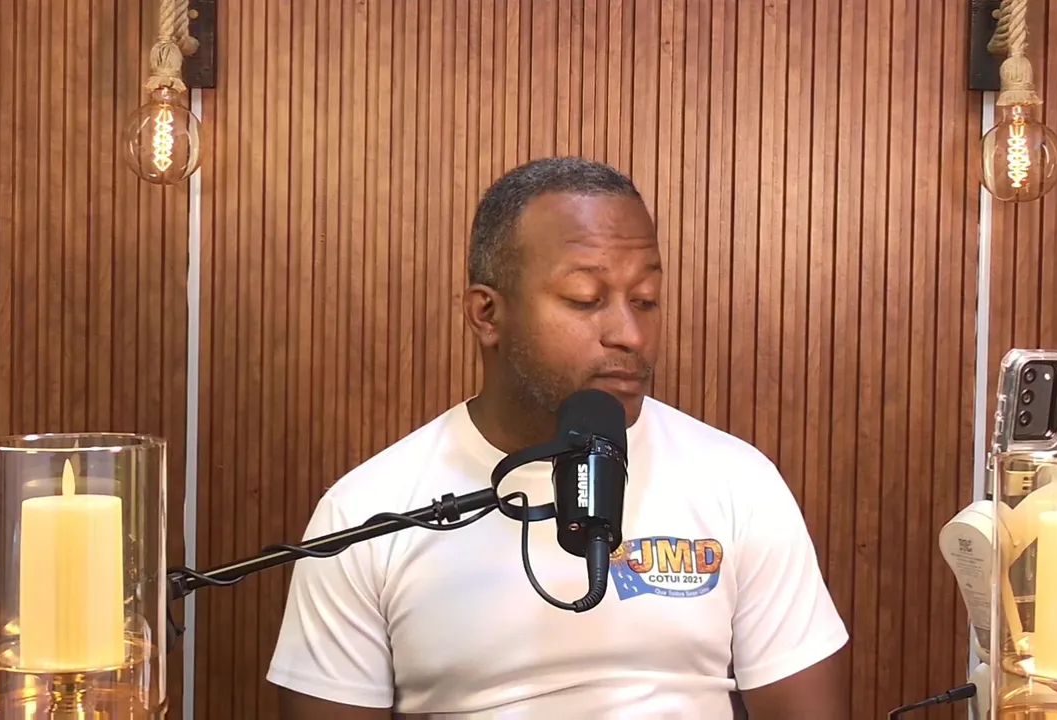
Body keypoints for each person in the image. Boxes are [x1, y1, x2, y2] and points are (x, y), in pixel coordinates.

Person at [267, 157, 850, 719]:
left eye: (646, 301)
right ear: (486, 314)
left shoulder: (738, 482)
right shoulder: (368, 512)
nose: (630, 334)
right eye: (585, 300)